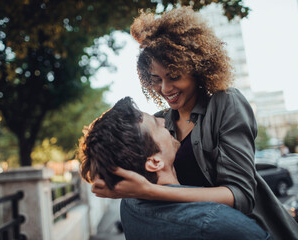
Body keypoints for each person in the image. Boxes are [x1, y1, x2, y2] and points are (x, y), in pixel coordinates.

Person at [91, 7, 298, 240]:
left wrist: (151, 191)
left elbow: (240, 196)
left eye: (174, 76)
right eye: (156, 80)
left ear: (197, 67)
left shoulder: (226, 104)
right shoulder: (160, 122)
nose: (165, 89)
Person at [79, 97, 272, 240]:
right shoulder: (216, 222)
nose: (164, 121)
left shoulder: (130, 206)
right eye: (156, 124)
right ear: (154, 162)